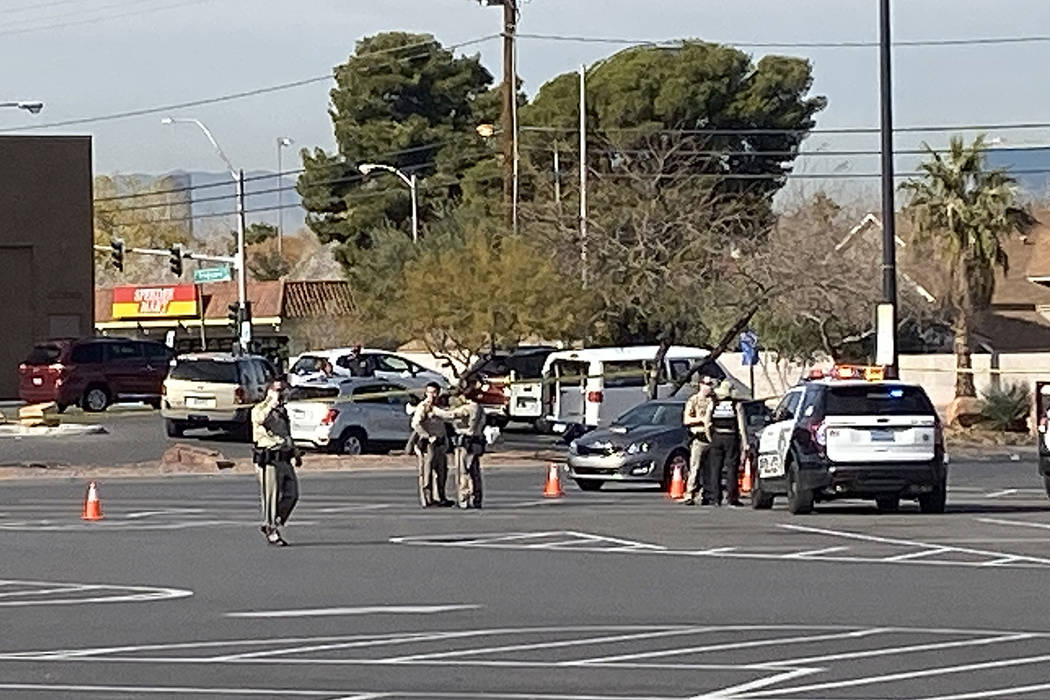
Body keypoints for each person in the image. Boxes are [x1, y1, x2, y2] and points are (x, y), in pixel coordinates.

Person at [251, 376, 300, 545]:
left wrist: (295, 451)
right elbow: (260, 420)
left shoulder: (282, 411)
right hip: (269, 458)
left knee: (292, 494)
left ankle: (274, 522)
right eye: (278, 390)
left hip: (285, 457)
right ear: (270, 391)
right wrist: (271, 402)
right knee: (271, 496)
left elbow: (286, 433)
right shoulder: (260, 409)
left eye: (283, 390)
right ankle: (271, 528)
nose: (282, 394)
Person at [432, 378, 486, 509]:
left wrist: (434, 409)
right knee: (475, 472)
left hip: (466, 443)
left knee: (464, 472)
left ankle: (464, 498)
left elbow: (449, 415)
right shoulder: (480, 409)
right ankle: (476, 498)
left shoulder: (468, 409)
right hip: (476, 442)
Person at [704, 379, 749, 507]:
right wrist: (745, 443)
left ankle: (716, 498)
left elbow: (707, 422)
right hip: (731, 437)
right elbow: (742, 426)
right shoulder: (736, 405)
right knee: (732, 468)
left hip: (717, 436)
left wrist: (709, 437)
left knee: (715, 468)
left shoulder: (714, 403)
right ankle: (731, 497)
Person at [410, 381, 453, 507]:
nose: (432, 395)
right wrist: (427, 436)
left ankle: (441, 497)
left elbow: (444, 422)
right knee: (427, 472)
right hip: (429, 444)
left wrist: (445, 440)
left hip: (440, 443)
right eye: (429, 392)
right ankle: (428, 499)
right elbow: (415, 424)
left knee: (442, 472)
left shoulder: (438, 407)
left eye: (434, 392)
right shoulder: (423, 407)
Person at [681, 376, 714, 506]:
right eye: (706, 384)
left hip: (712, 438)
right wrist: (702, 419)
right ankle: (690, 493)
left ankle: (707, 494)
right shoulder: (693, 400)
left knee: (710, 469)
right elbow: (686, 420)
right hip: (698, 437)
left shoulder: (714, 401)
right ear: (700, 384)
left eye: (710, 384)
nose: (708, 387)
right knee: (695, 467)